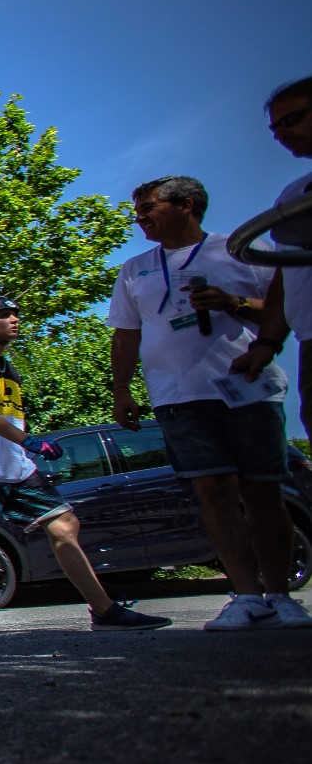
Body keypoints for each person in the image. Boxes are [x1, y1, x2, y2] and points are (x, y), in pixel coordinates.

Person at [107, 175, 304, 631]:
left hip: (246, 387)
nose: (140, 219)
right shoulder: (135, 269)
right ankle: (246, 594)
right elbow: (126, 334)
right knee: (211, 492)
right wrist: (121, 389)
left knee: (262, 490)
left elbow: (280, 308)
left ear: (187, 205)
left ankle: (281, 593)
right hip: (176, 396)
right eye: (137, 211)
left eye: (149, 208)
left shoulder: (237, 250)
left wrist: (233, 302)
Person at [0, 297, 169, 636]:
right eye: (3, 315)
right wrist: (27, 440)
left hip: (15, 467)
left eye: (15, 314)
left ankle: (104, 610)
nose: (14, 320)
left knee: (63, 524)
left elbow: (8, 415)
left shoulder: (8, 367)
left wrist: (23, 449)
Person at [239, 77, 311, 444]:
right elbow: (288, 277)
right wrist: (265, 344)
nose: (282, 134)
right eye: (275, 128)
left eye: (292, 119)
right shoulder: (294, 195)